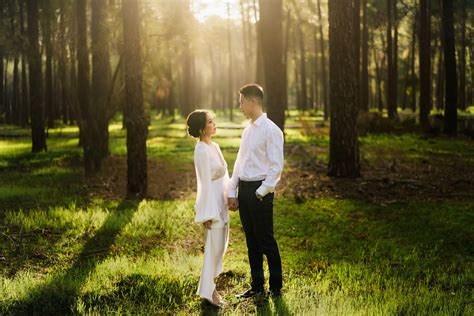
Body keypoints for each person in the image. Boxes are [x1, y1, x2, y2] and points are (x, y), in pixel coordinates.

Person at [227, 84, 284, 298]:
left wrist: (261, 192)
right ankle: (257, 286)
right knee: (251, 241)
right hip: (244, 189)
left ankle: (276, 288)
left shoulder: (272, 130)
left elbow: (276, 167)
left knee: (266, 241)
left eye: (241, 101)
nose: (240, 105)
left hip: (261, 192)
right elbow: (240, 162)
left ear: (252, 102)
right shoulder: (247, 130)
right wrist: (233, 191)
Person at [186, 110, 229, 307]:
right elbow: (203, 183)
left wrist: (231, 197)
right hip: (212, 203)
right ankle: (209, 291)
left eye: (213, 120)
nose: (214, 124)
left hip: (222, 201)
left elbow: (225, 176)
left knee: (221, 247)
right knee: (213, 247)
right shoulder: (201, 150)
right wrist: (207, 213)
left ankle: (209, 287)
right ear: (202, 129)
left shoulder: (216, 146)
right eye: (210, 122)